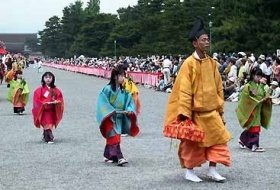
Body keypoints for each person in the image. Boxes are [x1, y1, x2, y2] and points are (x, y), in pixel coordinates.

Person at [163, 19, 231, 183]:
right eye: (203, 40)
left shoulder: (212, 63)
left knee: (218, 140)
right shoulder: (188, 64)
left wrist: (220, 109)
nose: (207, 42)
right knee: (192, 145)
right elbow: (184, 90)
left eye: (208, 39)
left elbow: (218, 88)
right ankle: (189, 171)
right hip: (196, 113)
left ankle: (212, 169)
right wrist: (185, 115)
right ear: (195, 43)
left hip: (212, 111)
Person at [96, 65, 139, 166]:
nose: (123, 78)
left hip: (119, 117)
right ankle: (120, 157)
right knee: (114, 137)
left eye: (124, 76)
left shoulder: (125, 92)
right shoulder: (107, 89)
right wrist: (110, 111)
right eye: (121, 75)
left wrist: (129, 110)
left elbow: (129, 103)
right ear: (115, 76)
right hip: (109, 117)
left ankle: (109, 155)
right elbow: (102, 102)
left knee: (116, 137)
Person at [236, 68, 272, 152]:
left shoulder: (261, 85)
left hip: (258, 108)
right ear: (252, 75)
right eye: (257, 76)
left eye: (260, 76)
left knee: (252, 127)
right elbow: (246, 97)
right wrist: (257, 101)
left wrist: (266, 96)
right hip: (251, 109)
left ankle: (242, 140)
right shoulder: (248, 86)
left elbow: (264, 94)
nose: (259, 78)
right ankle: (254, 145)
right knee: (255, 127)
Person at [32, 72, 64, 144]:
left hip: (52, 110)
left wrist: (57, 101)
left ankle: (45, 135)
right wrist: (43, 103)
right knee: (47, 123)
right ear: (43, 79)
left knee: (49, 124)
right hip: (44, 110)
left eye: (50, 77)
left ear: (53, 79)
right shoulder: (39, 90)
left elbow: (60, 98)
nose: (48, 79)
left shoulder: (56, 90)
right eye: (46, 77)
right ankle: (49, 138)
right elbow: (36, 99)